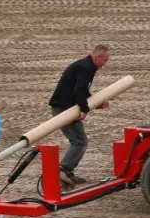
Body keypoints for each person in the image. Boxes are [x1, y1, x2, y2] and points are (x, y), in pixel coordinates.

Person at [47, 44, 111, 187]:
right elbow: (79, 91)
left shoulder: (86, 66)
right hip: (63, 109)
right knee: (79, 141)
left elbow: (83, 92)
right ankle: (62, 170)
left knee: (81, 140)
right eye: (105, 60)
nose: (105, 64)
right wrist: (84, 109)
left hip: (67, 108)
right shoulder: (86, 68)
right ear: (97, 57)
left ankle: (68, 172)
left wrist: (97, 104)